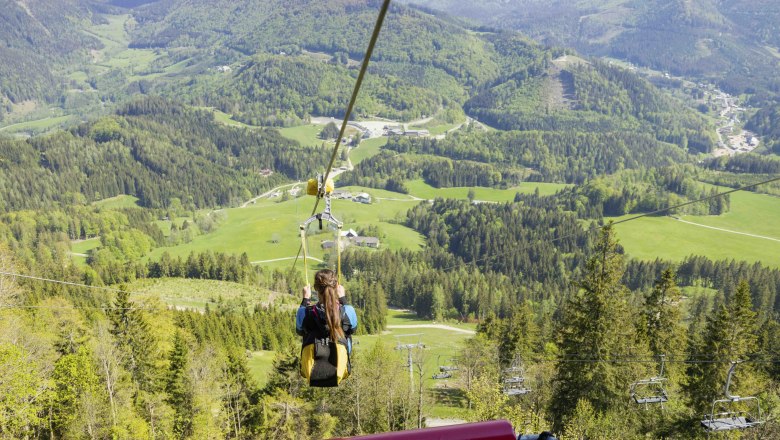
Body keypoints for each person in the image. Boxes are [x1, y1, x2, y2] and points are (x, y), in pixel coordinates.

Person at [296, 269, 358, 387]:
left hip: (310, 368)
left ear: (316, 288)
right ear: (336, 287)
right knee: (347, 332)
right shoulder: (346, 311)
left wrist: (305, 300)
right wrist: (343, 299)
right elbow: (353, 328)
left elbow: (299, 330)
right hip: (341, 369)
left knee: (305, 333)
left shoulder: (305, 313)